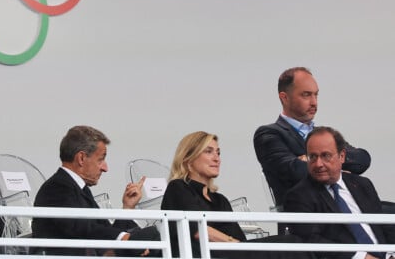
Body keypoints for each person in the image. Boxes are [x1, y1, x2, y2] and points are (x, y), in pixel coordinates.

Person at [161, 131, 314, 259]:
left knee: (295, 243)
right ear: (188, 159)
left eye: (218, 153)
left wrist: (238, 245)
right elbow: (198, 231)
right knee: (290, 244)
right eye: (208, 151)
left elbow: (240, 241)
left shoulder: (220, 200)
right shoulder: (178, 188)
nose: (217, 158)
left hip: (229, 253)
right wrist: (234, 244)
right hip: (203, 255)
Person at [32, 125, 159, 256]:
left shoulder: (80, 189)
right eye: (101, 159)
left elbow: (105, 232)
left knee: (152, 236)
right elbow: (80, 228)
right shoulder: (56, 187)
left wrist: (127, 207)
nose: (105, 168)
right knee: (151, 237)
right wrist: (125, 238)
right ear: (81, 158)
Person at [254, 67, 371, 208]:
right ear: (284, 98)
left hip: (346, 205)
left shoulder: (322, 135)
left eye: (316, 95)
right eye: (306, 95)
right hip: (307, 213)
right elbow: (294, 170)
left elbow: (362, 159)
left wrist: (310, 159)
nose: (314, 102)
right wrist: (335, 163)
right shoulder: (269, 134)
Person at [284, 126, 395, 259]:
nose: (318, 164)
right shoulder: (298, 196)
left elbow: (382, 227)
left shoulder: (362, 185)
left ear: (341, 156)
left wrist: (390, 254)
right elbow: (311, 242)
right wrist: (362, 257)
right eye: (312, 157)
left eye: (326, 156)